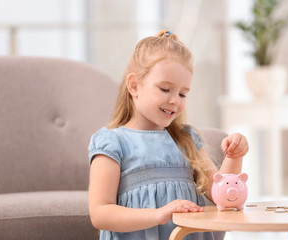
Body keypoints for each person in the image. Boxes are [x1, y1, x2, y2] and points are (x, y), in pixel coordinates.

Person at [88, 30, 249, 240]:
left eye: (183, 93)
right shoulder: (112, 142)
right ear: (134, 85)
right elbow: (100, 213)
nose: (175, 100)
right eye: (165, 89)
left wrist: (234, 155)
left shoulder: (186, 140)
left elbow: (223, 195)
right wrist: (158, 215)